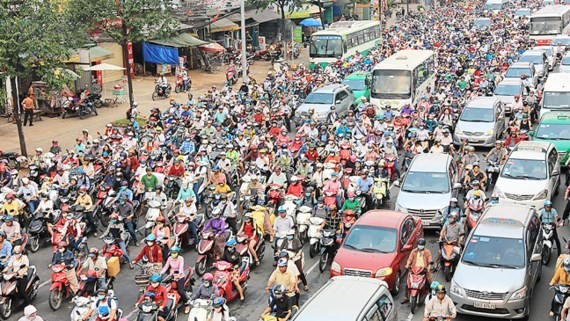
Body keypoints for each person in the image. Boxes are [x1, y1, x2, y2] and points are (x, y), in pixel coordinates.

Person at [402, 239, 433, 304]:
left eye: (421, 245)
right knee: (408, 283)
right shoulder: (414, 251)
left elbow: (430, 259)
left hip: (423, 270)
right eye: (419, 245)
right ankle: (406, 297)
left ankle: (431, 295)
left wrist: (429, 266)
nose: (420, 246)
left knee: (429, 281)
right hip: (414, 270)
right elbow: (410, 259)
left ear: (424, 245)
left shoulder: (427, 252)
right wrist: (407, 265)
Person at [160, 246, 190, 313]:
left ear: (178, 252)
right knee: (165, 288)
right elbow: (166, 267)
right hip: (171, 276)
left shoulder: (181, 258)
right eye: (172, 252)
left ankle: (186, 304)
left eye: (174, 252)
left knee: (180, 291)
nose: (173, 254)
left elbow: (181, 268)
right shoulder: (170, 258)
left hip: (180, 276)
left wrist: (178, 275)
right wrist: (160, 273)